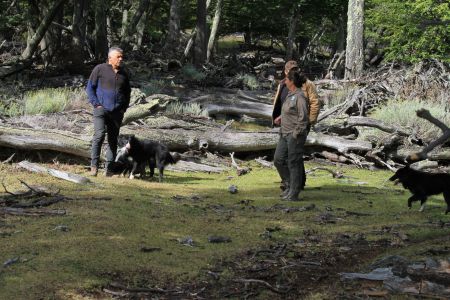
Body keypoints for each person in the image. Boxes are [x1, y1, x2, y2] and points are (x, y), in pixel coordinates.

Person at [272, 60, 320, 191]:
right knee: (286, 155)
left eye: (295, 68)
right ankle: (291, 182)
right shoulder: (283, 83)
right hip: (286, 123)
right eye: (290, 69)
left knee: (294, 155)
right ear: (285, 71)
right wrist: (278, 116)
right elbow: (280, 101)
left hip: (299, 124)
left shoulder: (306, 84)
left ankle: (295, 184)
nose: (293, 71)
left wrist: (308, 122)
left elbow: (314, 103)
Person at [86, 47, 131, 176]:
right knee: (99, 135)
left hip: (117, 112)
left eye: (122, 57)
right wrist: (96, 104)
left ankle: (109, 169)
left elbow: (128, 93)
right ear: (110, 58)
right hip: (101, 109)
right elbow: (90, 88)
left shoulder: (124, 73)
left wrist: (123, 108)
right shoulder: (99, 69)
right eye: (118, 57)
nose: (121, 59)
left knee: (112, 139)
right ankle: (94, 166)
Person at [273, 69, 309, 201]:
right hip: (284, 133)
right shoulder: (290, 94)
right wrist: (281, 118)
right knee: (278, 160)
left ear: (292, 81)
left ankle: (294, 192)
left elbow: (303, 118)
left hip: (295, 135)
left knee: (294, 163)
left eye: (287, 79)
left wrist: (295, 133)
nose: (285, 81)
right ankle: (289, 185)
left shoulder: (300, 97)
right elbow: (290, 111)